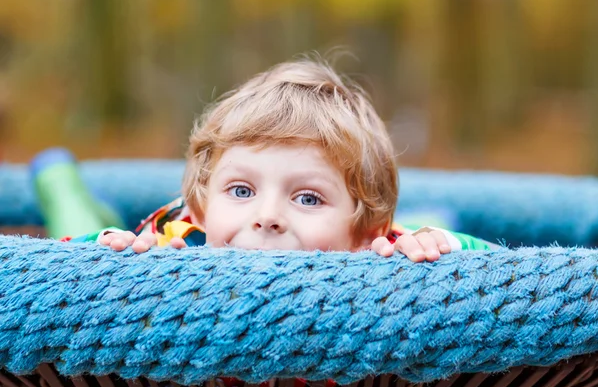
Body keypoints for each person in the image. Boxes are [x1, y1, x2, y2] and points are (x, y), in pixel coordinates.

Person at [90, 57, 496, 259]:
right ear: (201, 210)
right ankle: (69, 192)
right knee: (90, 224)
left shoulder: (381, 250)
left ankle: (440, 219)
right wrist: (108, 245)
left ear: (364, 233)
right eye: (241, 189)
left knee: (432, 229)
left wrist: (439, 244)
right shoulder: (177, 245)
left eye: (307, 198)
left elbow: (498, 267)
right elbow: (64, 259)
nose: (267, 216)